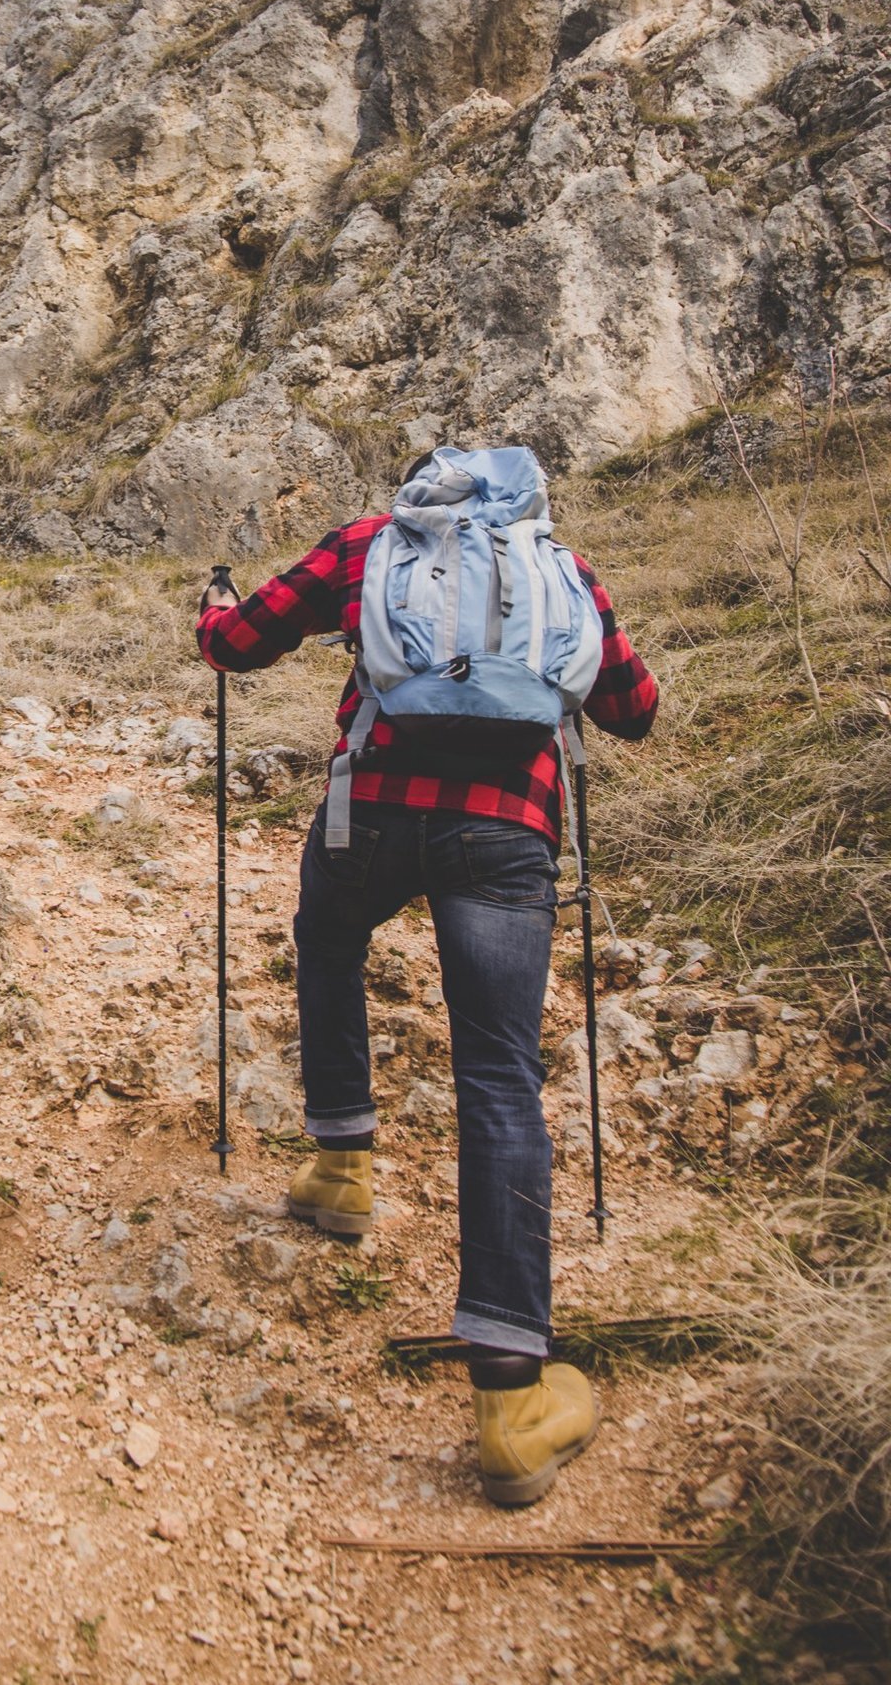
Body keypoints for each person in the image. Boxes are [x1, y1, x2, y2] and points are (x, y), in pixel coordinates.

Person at [197, 452, 658, 1507]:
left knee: (328, 936)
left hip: (369, 817)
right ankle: (512, 1407)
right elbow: (635, 707)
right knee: (498, 1078)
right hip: (506, 834)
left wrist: (212, 607)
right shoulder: (561, 566)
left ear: (417, 497)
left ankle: (342, 1165)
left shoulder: (367, 544)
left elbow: (237, 643)